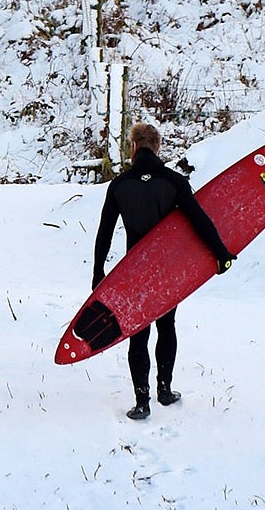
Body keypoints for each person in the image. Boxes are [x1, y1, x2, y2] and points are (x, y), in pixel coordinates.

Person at [92, 122, 234, 420]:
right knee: (166, 326)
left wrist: (98, 272)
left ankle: (142, 402)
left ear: (133, 148)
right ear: (158, 146)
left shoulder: (120, 184)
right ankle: (165, 390)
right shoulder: (174, 182)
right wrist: (220, 254)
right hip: (167, 271)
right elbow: (200, 221)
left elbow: (104, 232)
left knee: (138, 334)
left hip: (136, 271)